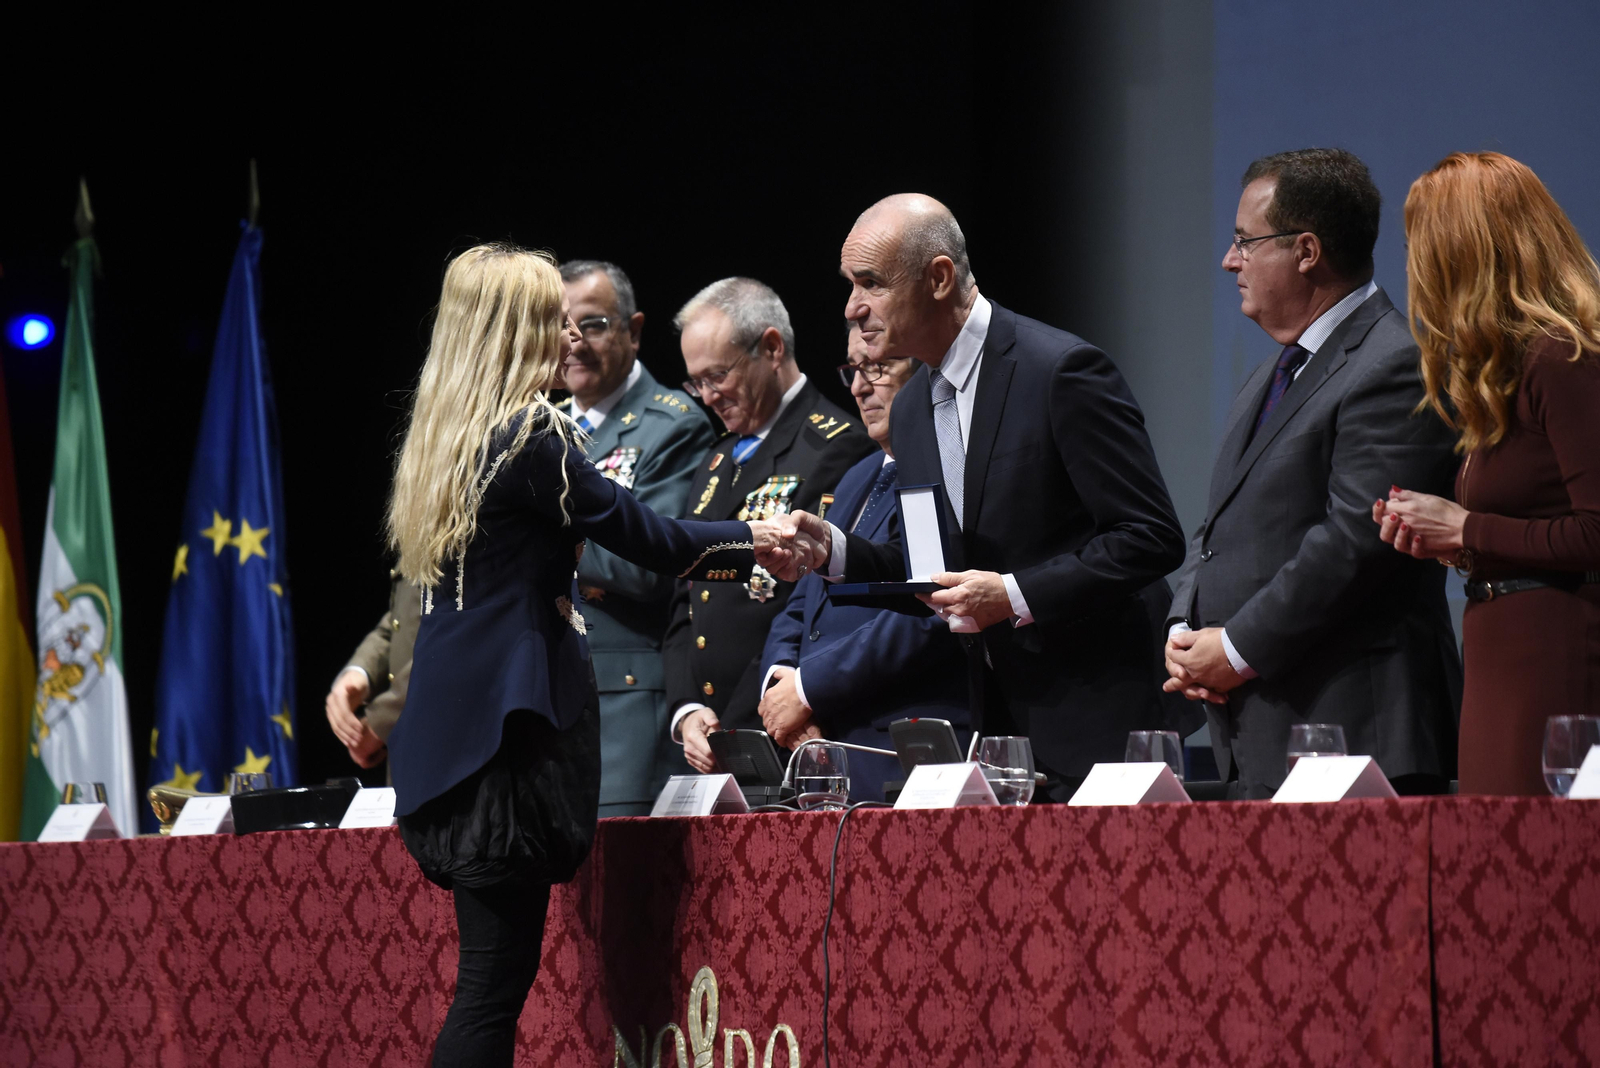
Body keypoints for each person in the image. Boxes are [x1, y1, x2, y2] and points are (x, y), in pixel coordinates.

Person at [382, 243, 793, 1066]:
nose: (563, 336)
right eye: (547, 318)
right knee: (491, 992)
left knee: (483, 984)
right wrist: (757, 539)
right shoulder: (530, 435)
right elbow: (655, 539)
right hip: (506, 742)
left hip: (445, 737)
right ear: (512, 329)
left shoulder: (445, 438)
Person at [779, 194, 1186, 798]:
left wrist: (1014, 595)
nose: (852, 308)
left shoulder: (1061, 371)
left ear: (939, 278)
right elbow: (932, 571)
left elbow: (1150, 537)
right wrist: (836, 552)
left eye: (871, 283)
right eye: (850, 284)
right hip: (995, 732)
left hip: (1102, 717)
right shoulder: (915, 406)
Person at [1161, 148, 1461, 799]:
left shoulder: (1393, 364)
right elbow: (1218, 530)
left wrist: (1235, 648)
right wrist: (1184, 629)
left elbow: (1353, 542)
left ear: (1305, 249)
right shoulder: (1271, 374)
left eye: (1245, 241)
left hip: (1353, 739)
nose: (1228, 261)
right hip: (1267, 734)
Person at [1374, 152, 1600, 796]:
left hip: (1555, 661)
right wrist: (1451, 543)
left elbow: (1595, 531)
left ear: (1465, 252)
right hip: (1499, 653)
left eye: (1425, 243)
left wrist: (1469, 526)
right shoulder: (1502, 371)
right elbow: (1526, 528)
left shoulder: (1564, 358)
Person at [748, 327, 969, 801]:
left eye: (878, 368)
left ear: (927, 375)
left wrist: (807, 689)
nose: (858, 387)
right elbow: (802, 603)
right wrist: (780, 683)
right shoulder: (856, 476)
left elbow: (933, 611)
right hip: (822, 740)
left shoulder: (950, 470)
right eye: (854, 369)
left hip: (898, 744)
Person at [666, 278, 875, 755]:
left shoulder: (836, 447)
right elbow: (684, 597)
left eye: (717, 376)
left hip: (778, 729)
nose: (707, 396)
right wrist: (686, 709)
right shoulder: (715, 458)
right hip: (707, 734)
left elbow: (807, 603)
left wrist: (739, 726)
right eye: (695, 382)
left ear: (772, 347)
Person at [556, 260, 718, 816]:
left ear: (634, 330)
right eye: (560, 324)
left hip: (623, 711)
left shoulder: (673, 424)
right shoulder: (540, 426)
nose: (574, 343)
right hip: (544, 705)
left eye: (594, 324)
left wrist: (543, 541)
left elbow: (654, 565)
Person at [324, 567, 416, 771]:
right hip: (411, 754)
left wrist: (380, 721)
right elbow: (399, 618)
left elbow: (457, 635)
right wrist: (359, 673)